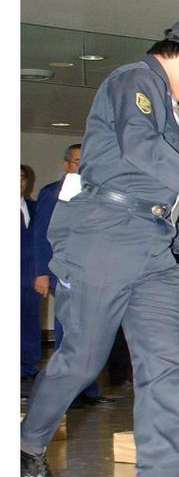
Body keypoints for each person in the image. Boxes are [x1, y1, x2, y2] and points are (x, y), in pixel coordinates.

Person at [20, 18, 179, 477]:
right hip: (100, 237)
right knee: (83, 358)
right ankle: (27, 445)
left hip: (150, 246)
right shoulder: (134, 81)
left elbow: (149, 200)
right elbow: (136, 152)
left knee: (167, 362)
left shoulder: (168, 106)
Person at [32, 144, 116, 408]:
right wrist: (41, 273)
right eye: (78, 161)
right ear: (67, 164)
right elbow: (41, 235)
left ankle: (87, 390)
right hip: (64, 271)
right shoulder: (52, 193)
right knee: (68, 331)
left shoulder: (100, 192)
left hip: (92, 272)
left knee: (89, 332)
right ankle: (64, 393)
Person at [20, 165, 40, 391]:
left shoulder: (35, 208)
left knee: (29, 321)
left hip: (30, 277)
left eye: (22, 178)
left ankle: (27, 367)